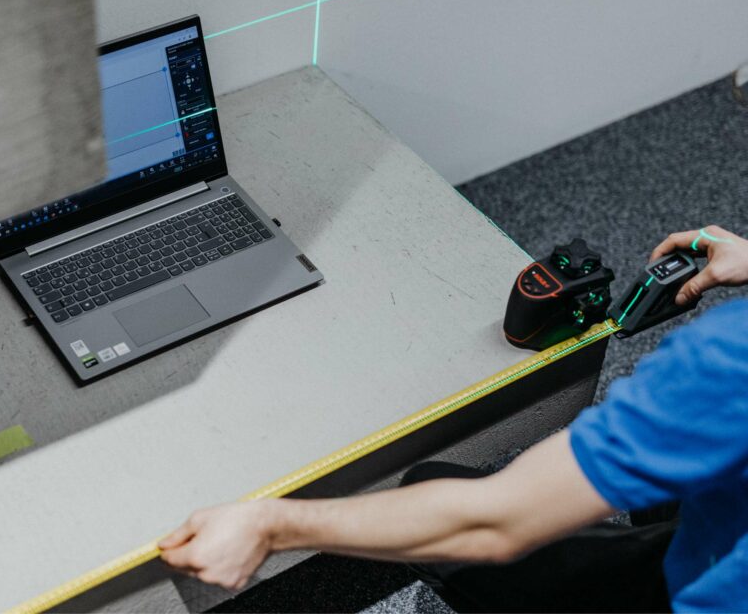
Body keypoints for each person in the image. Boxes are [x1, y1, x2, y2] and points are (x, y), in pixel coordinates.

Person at [158, 225, 748, 612]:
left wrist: (270, 526)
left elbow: (494, 524)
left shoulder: (727, 357)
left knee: (429, 491)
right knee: (683, 475)